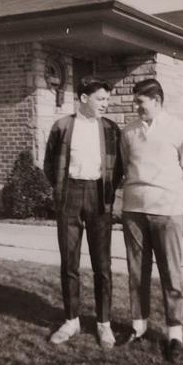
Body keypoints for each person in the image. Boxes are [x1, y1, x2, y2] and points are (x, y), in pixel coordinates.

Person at [120, 78, 183, 362]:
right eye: (136, 102)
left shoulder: (180, 130)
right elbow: (125, 164)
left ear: (156, 100)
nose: (136, 107)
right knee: (136, 272)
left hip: (167, 211)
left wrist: (179, 200)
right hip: (133, 211)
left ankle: (175, 335)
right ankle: (138, 327)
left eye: (140, 102)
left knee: (171, 273)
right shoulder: (129, 132)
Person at [43, 76, 123, 349]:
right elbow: (49, 166)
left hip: (100, 198)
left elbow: (119, 168)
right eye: (100, 99)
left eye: (107, 100)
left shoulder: (111, 129)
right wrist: (64, 190)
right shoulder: (62, 127)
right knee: (69, 263)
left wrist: (109, 193)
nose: (105, 105)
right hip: (70, 198)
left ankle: (104, 324)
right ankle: (71, 320)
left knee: (103, 265)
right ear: (84, 98)